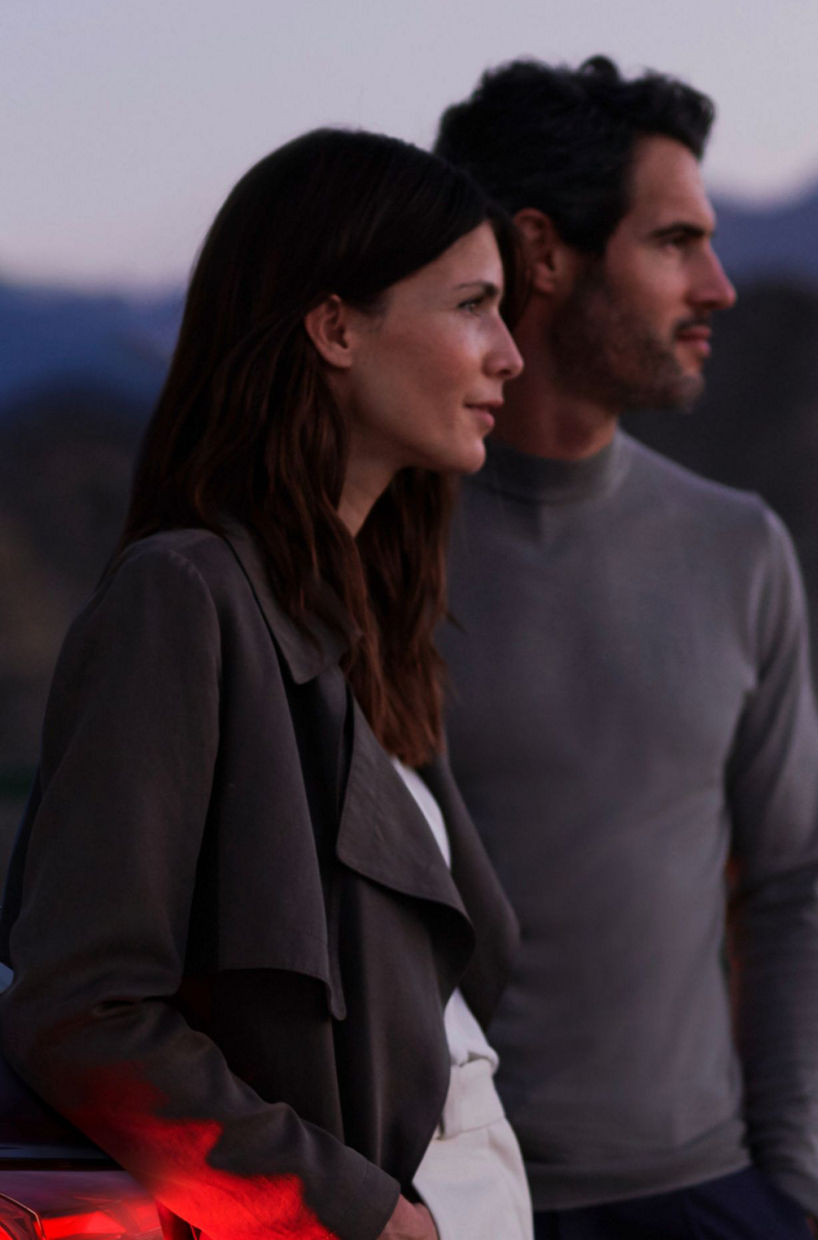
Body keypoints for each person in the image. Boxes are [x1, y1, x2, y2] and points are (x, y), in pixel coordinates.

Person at [0, 128, 533, 1240]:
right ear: (336, 325)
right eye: (473, 305)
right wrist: (356, 1214)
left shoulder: (365, 625)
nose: (509, 354)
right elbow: (82, 1007)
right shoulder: (183, 597)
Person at [433, 57, 818, 1239]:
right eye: (674, 242)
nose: (716, 284)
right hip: (436, 1207)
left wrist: (792, 1187)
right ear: (543, 254)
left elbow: (796, 884)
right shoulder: (362, 554)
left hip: (703, 1197)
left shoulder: (739, 549)